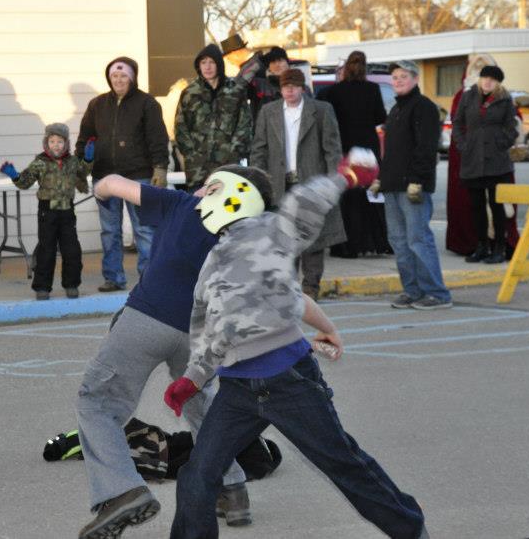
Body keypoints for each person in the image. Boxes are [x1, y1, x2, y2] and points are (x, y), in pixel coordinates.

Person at [163, 158, 428, 539]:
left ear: (239, 193)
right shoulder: (215, 258)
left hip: (289, 382)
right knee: (198, 474)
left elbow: (304, 201)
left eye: (210, 188)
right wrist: (192, 377)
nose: (200, 195)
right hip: (237, 390)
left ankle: (410, 528)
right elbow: (206, 323)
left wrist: (345, 177)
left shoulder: (270, 231)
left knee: (343, 464)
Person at [75, 173, 249, 539]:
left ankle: (122, 491)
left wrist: (100, 193)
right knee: (200, 402)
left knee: (97, 402)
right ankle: (232, 490)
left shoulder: (182, 204)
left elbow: (111, 182)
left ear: (214, 190)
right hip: (199, 332)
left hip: (148, 317)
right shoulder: (238, 235)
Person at [76, 57, 169, 292]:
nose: (118, 80)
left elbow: (158, 138)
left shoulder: (147, 104)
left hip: (138, 176)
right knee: (110, 230)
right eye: (114, 76)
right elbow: (84, 138)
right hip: (105, 176)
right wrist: (82, 162)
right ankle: (114, 277)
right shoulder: (97, 105)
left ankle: (149, 279)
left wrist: (160, 168)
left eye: (123, 76)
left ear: (132, 77)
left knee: (145, 229)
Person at [250, 68, 344, 299]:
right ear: (280, 89)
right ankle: (287, 286)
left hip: (311, 182)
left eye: (294, 86)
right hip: (280, 184)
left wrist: (334, 182)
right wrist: (259, 181)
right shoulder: (268, 112)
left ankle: (310, 287)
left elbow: (332, 150)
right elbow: (259, 149)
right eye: (285, 86)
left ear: (303, 88)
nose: (289, 90)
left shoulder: (321, 110)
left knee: (313, 237)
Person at [375, 60, 452, 310]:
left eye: (403, 76)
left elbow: (426, 148)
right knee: (398, 240)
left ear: (415, 79)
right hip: (392, 185)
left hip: (412, 186)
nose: (398, 81)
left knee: (418, 239)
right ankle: (413, 290)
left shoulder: (424, 108)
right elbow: (392, 150)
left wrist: (418, 180)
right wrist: (382, 177)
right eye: (395, 77)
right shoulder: (396, 109)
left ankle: (437, 293)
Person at [0, 123, 92, 300]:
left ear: (66, 143)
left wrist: (88, 159)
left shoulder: (72, 162)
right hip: (47, 213)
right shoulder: (39, 163)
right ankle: (42, 287)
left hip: (67, 212)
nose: (56, 145)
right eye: (52, 141)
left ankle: (71, 284)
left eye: (60, 141)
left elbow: (83, 173)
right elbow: (24, 183)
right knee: (46, 251)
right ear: (46, 143)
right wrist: (14, 175)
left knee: (72, 250)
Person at [445, 54, 520, 259]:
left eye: (492, 79)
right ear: (480, 78)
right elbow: (458, 123)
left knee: (497, 208)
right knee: (476, 207)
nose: (488, 82)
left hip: (496, 162)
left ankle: (498, 248)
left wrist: (500, 144)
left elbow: (512, 128)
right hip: (472, 161)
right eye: (485, 78)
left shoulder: (505, 100)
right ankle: (481, 246)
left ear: (497, 83)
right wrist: (463, 145)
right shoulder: (467, 97)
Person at [318, 50, 391, 258]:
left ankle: (347, 245)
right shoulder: (373, 89)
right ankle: (373, 241)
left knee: (347, 197)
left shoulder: (334, 92)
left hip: (345, 147)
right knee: (369, 195)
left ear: (346, 68)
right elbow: (380, 117)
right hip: (367, 147)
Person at [174, 44, 252, 189]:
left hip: (229, 167)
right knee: (199, 209)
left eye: (211, 62)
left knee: (228, 208)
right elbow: (180, 128)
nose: (207, 67)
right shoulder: (189, 93)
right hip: (198, 171)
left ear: (219, 65)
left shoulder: (235, 90)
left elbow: (245, 125)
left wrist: (234, 152)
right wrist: (192, 155)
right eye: (203, 63)